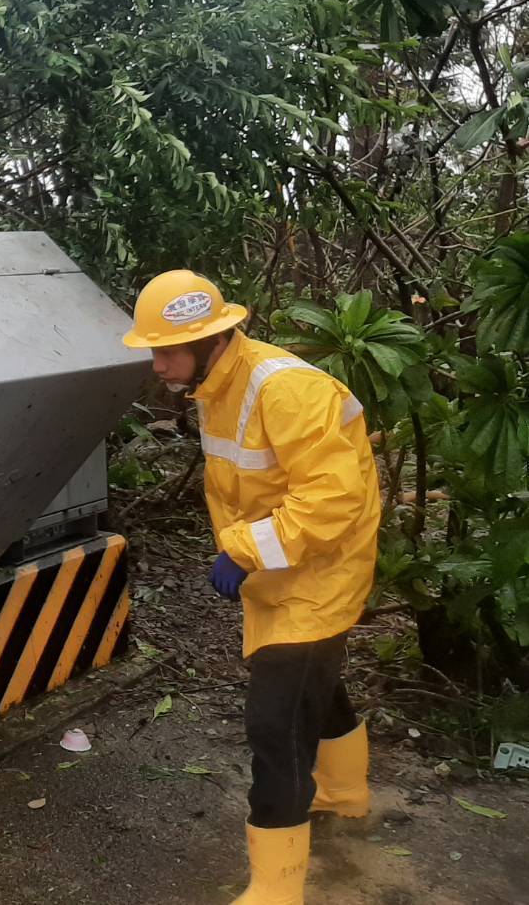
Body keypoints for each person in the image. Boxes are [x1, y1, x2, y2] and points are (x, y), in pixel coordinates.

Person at [122, 270, 380, 905]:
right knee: (314, 692)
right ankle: (345, 794)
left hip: (317, 575)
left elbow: (330, 502)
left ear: (214, 338)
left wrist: (240, 550)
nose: (158, 365)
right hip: (286, 570)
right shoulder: (218, 385)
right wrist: (247, 552)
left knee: (276, 728)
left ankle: (277, 885)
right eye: (153, 350)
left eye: (168, 351)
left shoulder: (284, 390)